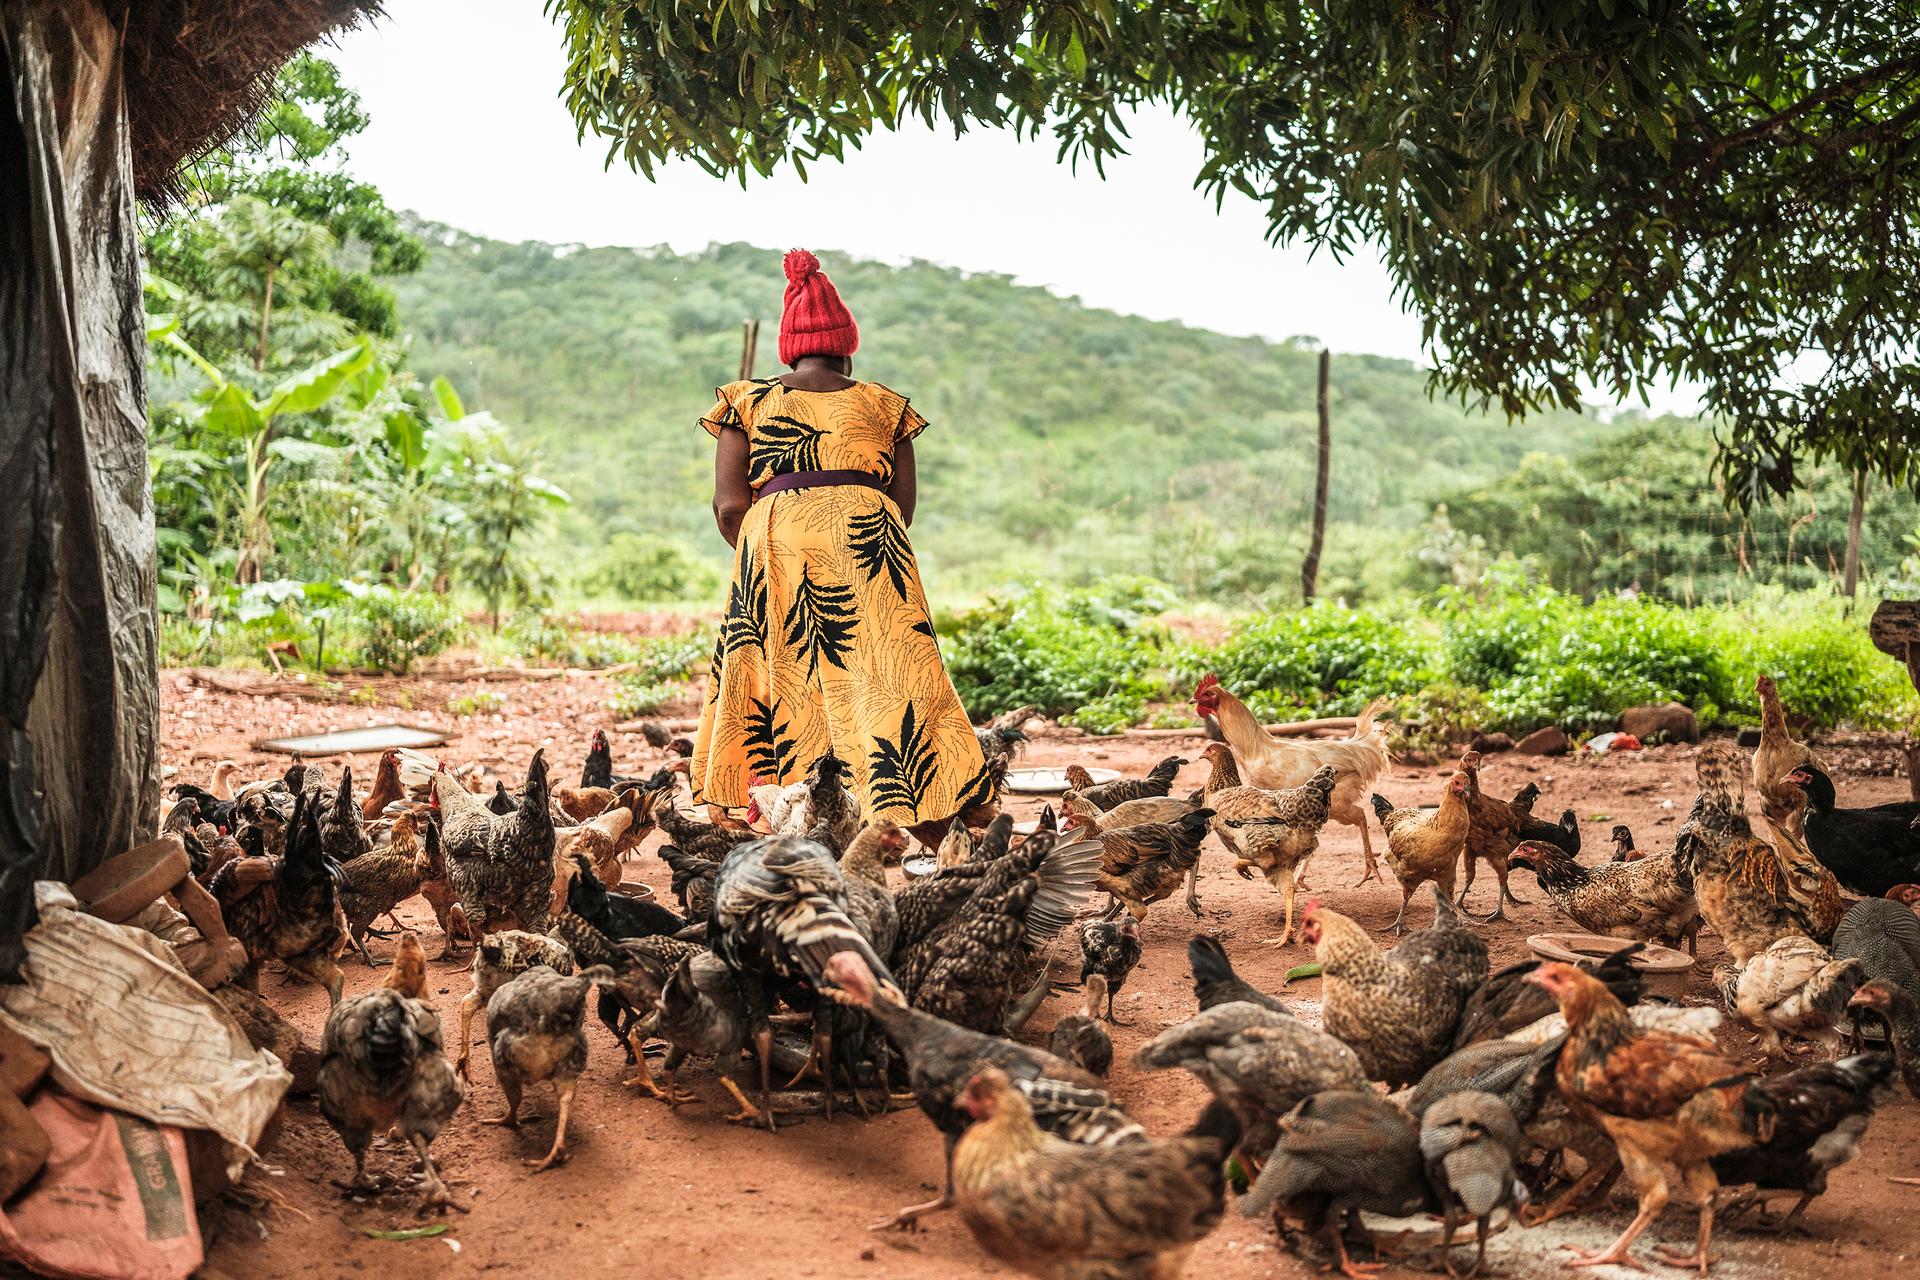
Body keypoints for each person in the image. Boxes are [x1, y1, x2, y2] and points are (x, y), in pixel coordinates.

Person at [690, 249, 990, 851]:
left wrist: (767, 551)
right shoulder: (884, 404)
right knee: (894, 674)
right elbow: (902, 505)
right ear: (847, 348)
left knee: (785, 677)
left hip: (777, 545)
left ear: (788, 349)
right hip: (870, 542)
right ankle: (929, 813)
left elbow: (728, 506)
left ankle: (781, 812)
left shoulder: (747, 401)